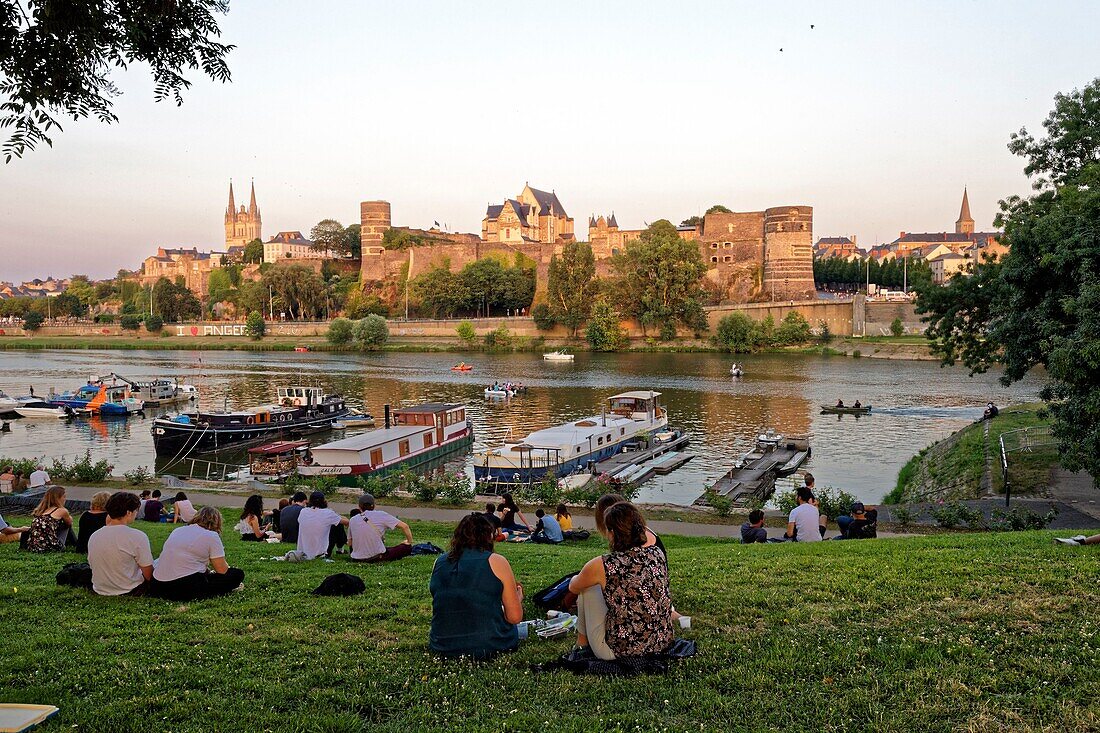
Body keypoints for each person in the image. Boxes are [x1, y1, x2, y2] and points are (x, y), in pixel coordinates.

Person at [568, 501, 675, 661]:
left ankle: (582, 643)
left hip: (622, 651)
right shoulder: (656, 552)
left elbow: (573, 587)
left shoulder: (603, 564)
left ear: (611, 533)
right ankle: (584, 641)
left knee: (587, 589)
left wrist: (582, 577)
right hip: (662, 641)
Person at [429, 514, 523, 659]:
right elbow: (514, 618)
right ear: (489, 535)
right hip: (488, 644)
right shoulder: (497, 561)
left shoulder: (439, 562)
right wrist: (518, 598)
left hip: (442, 645)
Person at [151, 506, 244, 601]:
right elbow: (222, 570)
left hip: (157, 585)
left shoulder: (178, 530)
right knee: (237, 574)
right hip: (182, 588)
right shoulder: (211, 536)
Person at [87, 492, 154, 596]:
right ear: (128, 512)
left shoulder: (94, 535)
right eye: (136, 510)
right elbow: (148, 574)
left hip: (100, 588)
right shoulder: (137, 536)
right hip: (129, 589)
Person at [348, 493, 413, 562]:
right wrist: (409, 541)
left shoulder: (352, 520)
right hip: (377, 557)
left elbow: (350, 543)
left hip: (356, 559)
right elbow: (405, 526)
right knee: (406, 547)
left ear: (359, 507)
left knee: (388, 549)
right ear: (374, 506)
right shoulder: (381, 514)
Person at [296, 491, 348, 559]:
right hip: (320, 555)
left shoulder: (303, 511)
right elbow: (347, 522)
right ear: (324, 501)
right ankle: (340, 548)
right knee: (337, 525)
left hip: (302, 554)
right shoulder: (328, 513)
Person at [25, 485, 72, 552]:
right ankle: (75, 543)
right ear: (58, 498)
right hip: (50, 547)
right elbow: (69, 523)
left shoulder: (40, 511)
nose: (65, 499)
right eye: (64, 497)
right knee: (66, 525)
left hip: (33, 547)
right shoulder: (62, 511)